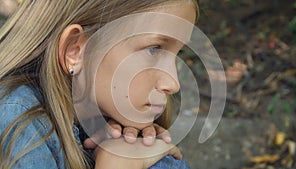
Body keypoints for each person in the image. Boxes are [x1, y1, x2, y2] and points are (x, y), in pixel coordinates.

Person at [0, 0, 199, 168]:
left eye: (178, 53)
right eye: (154, 49)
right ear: (75, 51)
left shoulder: (112, 123)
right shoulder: (16, 117)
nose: (173, 84)